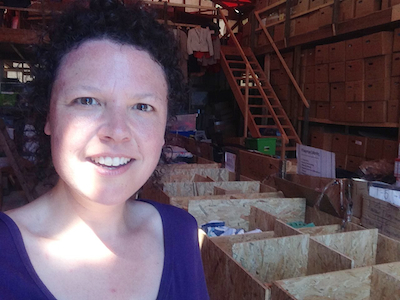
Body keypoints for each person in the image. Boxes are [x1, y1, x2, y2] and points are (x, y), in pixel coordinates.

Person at [0, 0, 209, 299]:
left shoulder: (181, 234)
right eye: (87, 100)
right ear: (48, 116)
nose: (117, 132)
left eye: (142, 106)